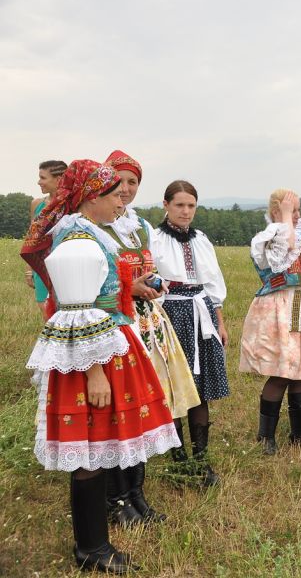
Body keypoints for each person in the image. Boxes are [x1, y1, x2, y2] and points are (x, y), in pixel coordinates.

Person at [21, 159, 179, 574]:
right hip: (92, 357)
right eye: (113, 195)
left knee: (97, 448)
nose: (120, 202)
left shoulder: (88, 235)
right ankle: (91, 547)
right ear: (92, 197)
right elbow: (76, 311)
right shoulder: (78, 242)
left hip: (106, 346)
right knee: (89, 453)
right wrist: (95, 372)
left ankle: (95, 543)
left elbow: (95, 298)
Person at [100, 150, 201, 524]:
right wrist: (131, 288)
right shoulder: (94, 226)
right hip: (114, 324)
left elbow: (148, 267)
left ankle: (136, 494)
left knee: (142, 406)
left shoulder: (139, 226)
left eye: (132, 182)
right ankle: (115, 499)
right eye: (119, 182)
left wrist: (154, 285)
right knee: (120, 410)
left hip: (147, 323)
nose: (125, 189)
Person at [239, 189, 301, 454]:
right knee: (281, 372)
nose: (296, 215)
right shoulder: (270, 237)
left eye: (297, 210)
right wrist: (283, 219)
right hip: (279, 309)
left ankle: (300, 435)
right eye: (291, 210)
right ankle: (265, 437)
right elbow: (280, 260)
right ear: (276, 212)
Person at [153, 180, 229, 487]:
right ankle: (179, 458)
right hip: (171, 313)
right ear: (166, 205)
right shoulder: (155, 239)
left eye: (191, 206)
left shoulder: (201, 240)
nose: (186, 211)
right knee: (175, 385)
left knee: (201, 386)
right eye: (180, 205)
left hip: (202, 312)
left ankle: (201, 457)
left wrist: (220, 322)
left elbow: (212, 283)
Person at [25, 160, 67, 313]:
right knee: (47, 315)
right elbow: (32, 239)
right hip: (42, 268)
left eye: (43, 178)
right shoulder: (37, 204)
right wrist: (29, 270)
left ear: (58, 179)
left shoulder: (71, 206)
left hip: (65, 268)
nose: (39, 182)